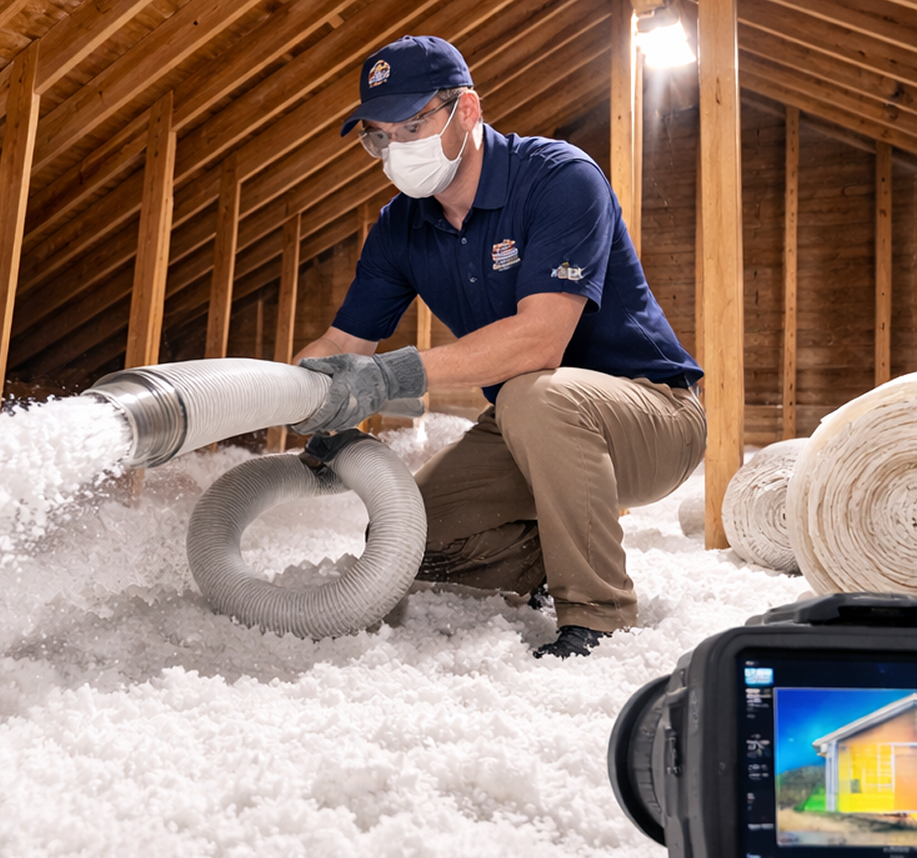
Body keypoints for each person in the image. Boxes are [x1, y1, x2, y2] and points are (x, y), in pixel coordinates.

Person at [292, 35, 705, 659]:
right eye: (379, 136)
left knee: (534, 393)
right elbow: (340, 343)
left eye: (410, 126)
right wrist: (302, 396)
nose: (395, 150)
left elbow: (539, 341)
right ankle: (544, 558)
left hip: (652, 416)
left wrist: (384, 379)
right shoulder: (401, 227)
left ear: (467, 110)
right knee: (406, 537)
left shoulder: (559, 178)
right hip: (523, 423)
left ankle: (600, 617)